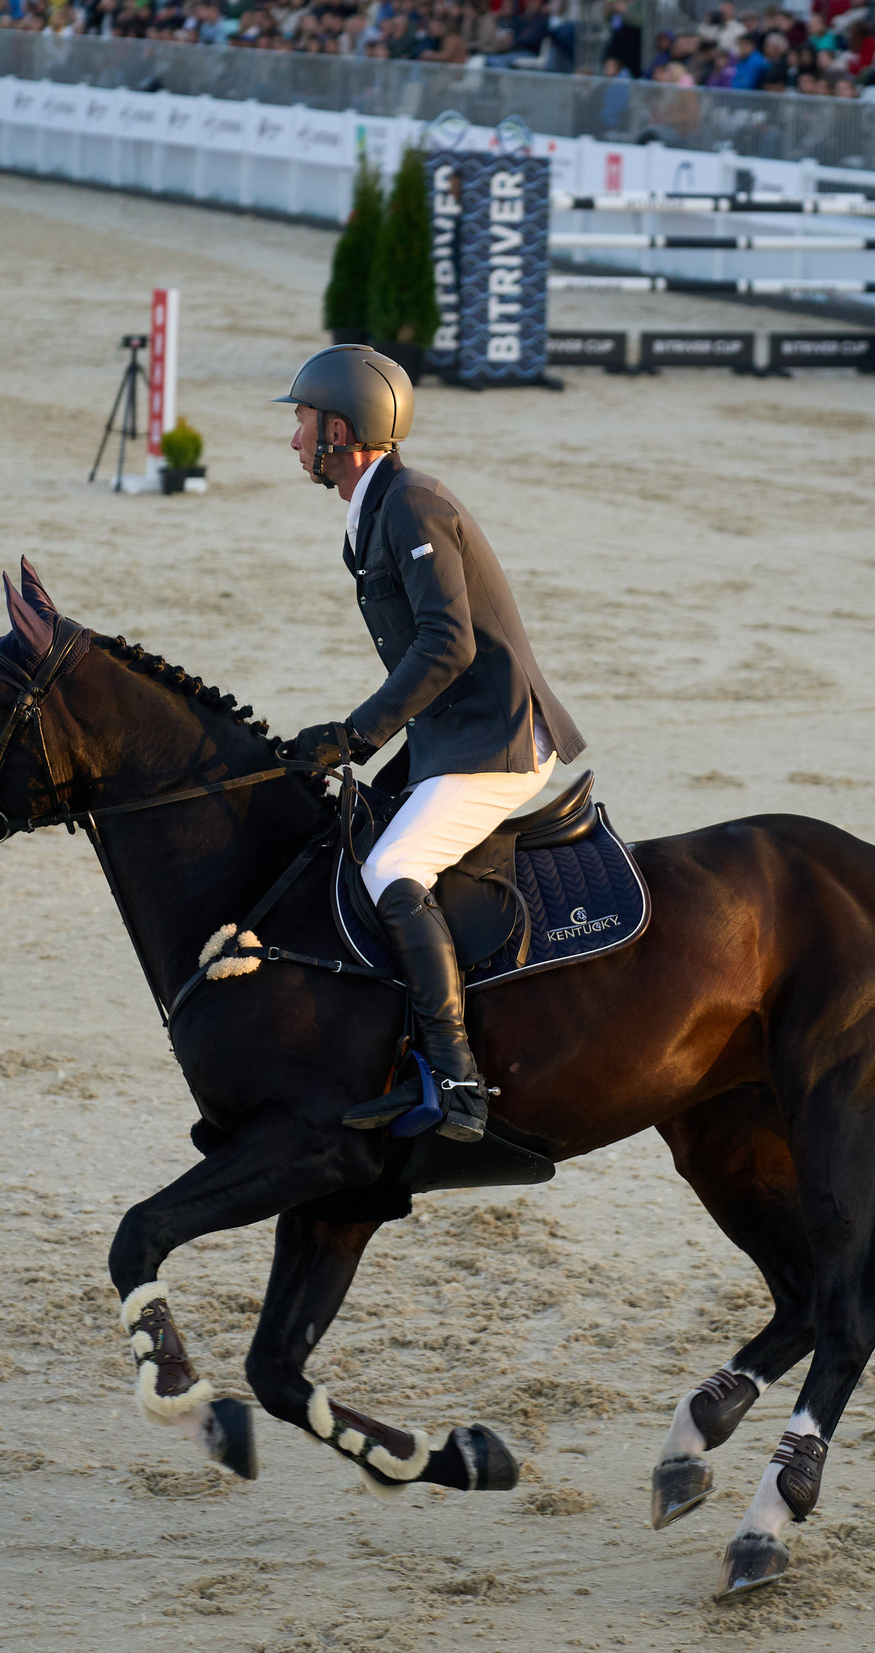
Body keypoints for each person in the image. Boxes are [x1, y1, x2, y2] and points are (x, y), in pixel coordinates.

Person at [273, 346, 586, 1148]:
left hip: (497, 736)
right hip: (453, 731)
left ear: (340, 431)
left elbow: (447, 646)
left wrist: (356, 735)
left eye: (303, 421)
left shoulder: (410, 504)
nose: (295, 437)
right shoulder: (374, 509)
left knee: (390, 869)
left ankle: (456, 1082)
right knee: (355, 830)